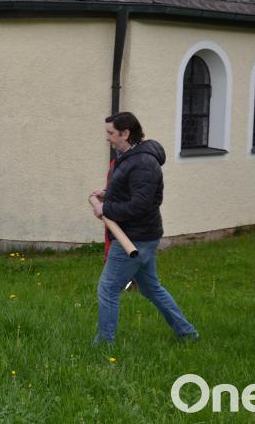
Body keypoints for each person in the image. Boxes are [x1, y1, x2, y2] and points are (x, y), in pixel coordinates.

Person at [89, 112, 198, 344]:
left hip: (134, 238)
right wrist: (108, 194)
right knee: (151, 288)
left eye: (111, 133)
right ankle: (187, 333)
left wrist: (106, 209)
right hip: (142, 235)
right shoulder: (130, 156)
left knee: (108, 289)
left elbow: (141, 204)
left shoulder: (143, 163)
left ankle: (103, 344)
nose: (107, 138)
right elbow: (131, 191)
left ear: (125, 133)